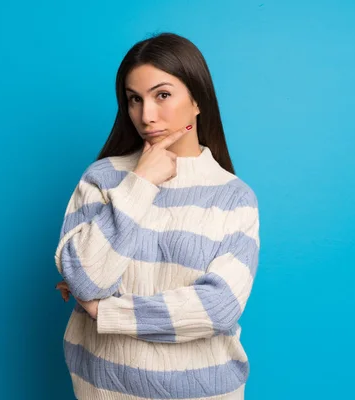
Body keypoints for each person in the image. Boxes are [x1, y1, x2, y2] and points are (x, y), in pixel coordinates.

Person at [54, 32, 260, 400]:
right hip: (101, 389)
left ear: (198, 100)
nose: (146, 116)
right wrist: (141, 182)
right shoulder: (102, 179)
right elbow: (85, 280)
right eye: (135, 100)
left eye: (162, 95)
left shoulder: (235, 198)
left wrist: (106, 312)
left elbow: (217, 309)